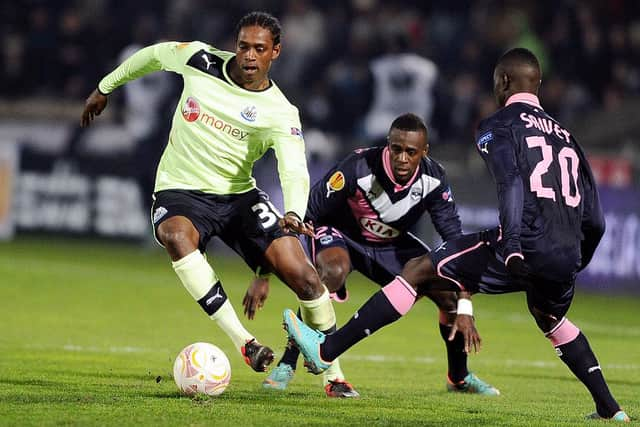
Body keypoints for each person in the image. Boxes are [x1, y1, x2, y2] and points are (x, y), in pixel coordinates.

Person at [283, 47, 630, 422]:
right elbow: (595, 220)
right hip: (566, 252)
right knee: (551, 318)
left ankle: (325, 350)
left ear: (502, 82)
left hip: (524, 241)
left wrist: (511, 243)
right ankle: (610, 410)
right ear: (539, 85)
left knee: (419, 269)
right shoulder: (568, 137)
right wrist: (578, 259)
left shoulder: (497, 125)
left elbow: (511, 182)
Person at [80, 11, 343, 377]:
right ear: (235, 46)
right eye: (243, 47)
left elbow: (294, 169)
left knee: (306, 277)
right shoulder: (200, 59)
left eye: (259, 49)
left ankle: (335, 375)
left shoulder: (281, 112)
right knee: (175, 235)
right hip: (180, 189)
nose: (249, 56)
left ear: (276, 52)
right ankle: (244, 342)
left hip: (238, 197)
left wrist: (295, 213)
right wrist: (104, 87)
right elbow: (153, 55)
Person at [244, 113, 498, 397]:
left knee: (448, 293)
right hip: (342, 235)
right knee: (331, 273)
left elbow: (455, 242)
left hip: (391, 244)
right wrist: (263, 272)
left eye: (411, 152)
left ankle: (459, 377)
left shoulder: (434, 179)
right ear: (387, 145)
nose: (402, 158)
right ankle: (289, 362)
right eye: (396, 149)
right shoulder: (357, 166)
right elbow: (307, 214)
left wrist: (465, 304)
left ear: (423, 153)